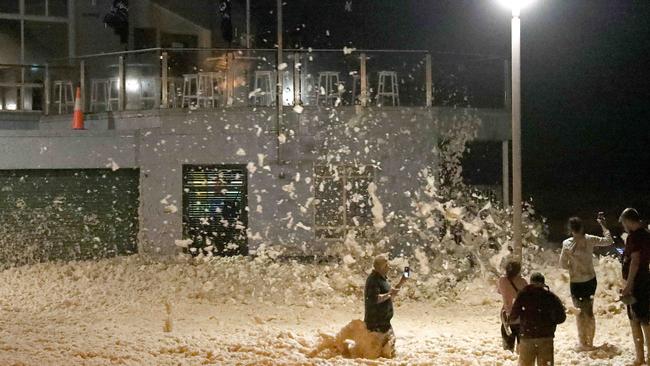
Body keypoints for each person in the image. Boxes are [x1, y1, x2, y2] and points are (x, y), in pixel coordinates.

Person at [559, 216, 613, 350]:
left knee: (579, 312)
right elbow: (609, 241)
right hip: (590, 280)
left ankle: (582, 342)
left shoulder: (566, 244)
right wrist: (603, 225)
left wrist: (573, 265)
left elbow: (562, 265)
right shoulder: (589, 239)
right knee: (589, 311)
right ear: (582, 227)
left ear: (570, 229)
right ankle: (590, 342)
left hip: (576, 282)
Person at [510, 272, 566, 366]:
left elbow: (513, 317)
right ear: (543, 283)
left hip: (527, 337)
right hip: (546, 337)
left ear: (530, 283)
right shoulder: (551, 297)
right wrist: (549, 322)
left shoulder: (523, 296)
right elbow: (561, 318)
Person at [617, 208, 650, 365]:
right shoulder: (646, 234)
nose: (623, 226)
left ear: (628, 221)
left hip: (637, 284)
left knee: (637, 320)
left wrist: (628, 285)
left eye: (623, 223)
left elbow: (635, 261)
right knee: (645, 320)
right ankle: (646, 357)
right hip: (645, 281)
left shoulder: (634, 237)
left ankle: (640, 358)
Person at [364, 255, 407, 357]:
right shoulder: (373, 280)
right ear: (381, 267)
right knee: (377, 351)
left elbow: (389, 297)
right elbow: (374, 299)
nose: (389, 267)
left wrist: (401, 283)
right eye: (387, 265)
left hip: (384, 322)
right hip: (375, 323)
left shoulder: (383, 279)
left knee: (388, 348)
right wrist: (389, 294)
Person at [498, 261, 528, 352]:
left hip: (507, 317)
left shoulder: (502, 280)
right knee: (521, 349)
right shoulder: (523, 281)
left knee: (507, 350)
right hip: (520, 317)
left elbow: (499, 291)